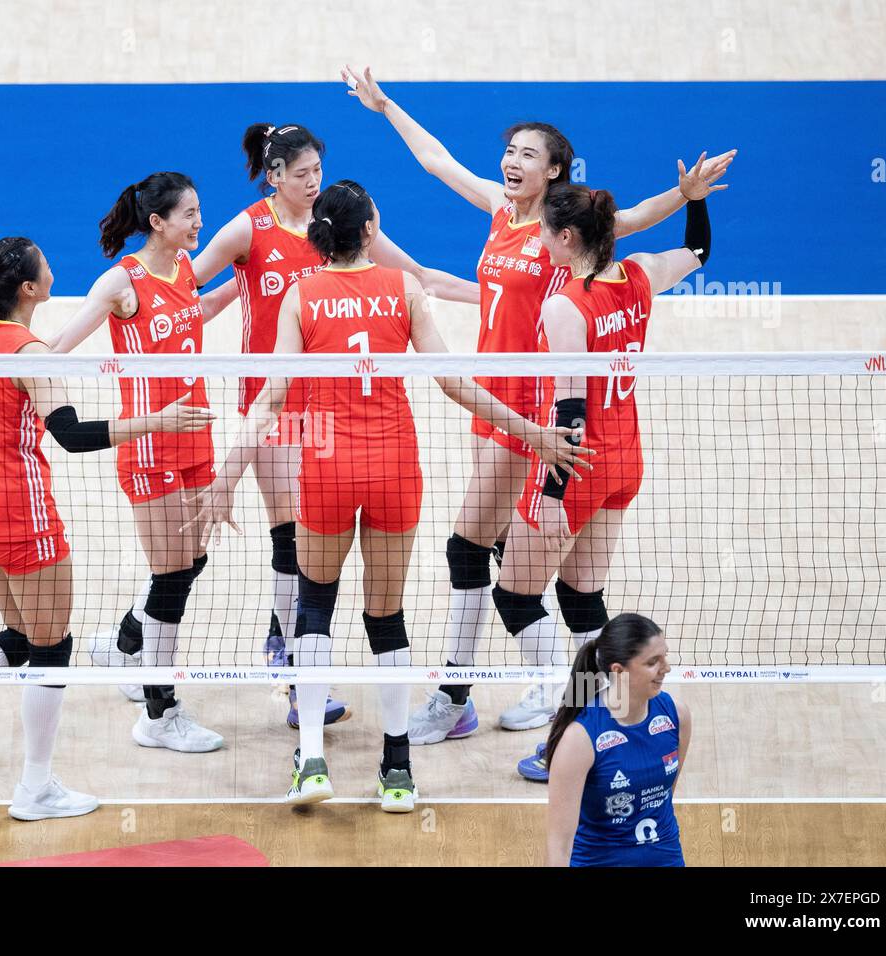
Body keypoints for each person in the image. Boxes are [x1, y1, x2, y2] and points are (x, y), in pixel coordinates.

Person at [340, 65, 734, 738]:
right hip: (487, 402)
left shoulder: (561, 237)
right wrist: (385, 107)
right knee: (510, 558)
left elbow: (635, 219)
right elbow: (439, 164)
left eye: (528, 154)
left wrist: (686, 192)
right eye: (510, 151)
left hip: (531, 413)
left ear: (556, 172)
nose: (511, 161)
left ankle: (480, 695)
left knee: (474, 552)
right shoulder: (501, 211)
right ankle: (545, 688)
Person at [190, 180, 590, 811]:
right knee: (387, 617)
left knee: (314, 606)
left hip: (324, 467)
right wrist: (533, 433)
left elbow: (270, 398)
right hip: (394, 468)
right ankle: (397, 769)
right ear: (370, 230)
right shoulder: (402, 289)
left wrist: (226, 477)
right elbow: (455, 382)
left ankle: (313, 759)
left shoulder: (301, 294)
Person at [0, 237, 213, 816]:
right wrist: (156, 421)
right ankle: (36, 787)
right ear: (31, 288)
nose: (53, 266)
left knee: (19, 638)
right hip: (21, 514)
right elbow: (71, 434)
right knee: (51, 647)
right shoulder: (28, 350)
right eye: (44, 264)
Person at [188, 122, 480, 728]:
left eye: (318, 171)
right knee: (289, 538)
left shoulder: (342, 224)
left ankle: (288, 645)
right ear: (275, 177)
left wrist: (495, 296)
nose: (313, 182)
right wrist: (207, 299)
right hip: (269, 404)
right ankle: (296, 671)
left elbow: (420, 277)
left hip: (329, 411)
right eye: (301, 175)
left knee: (308, 542)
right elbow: (183, 283)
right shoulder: (249, 227)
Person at [495, 177, 715, 780]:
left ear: (566, 238)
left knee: (514, 596)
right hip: (625, 460)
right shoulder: (640, 272)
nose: (538, 237)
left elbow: (569, 411)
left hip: (579, 465)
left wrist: (552, 495)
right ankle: (616, 720)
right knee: (580, 597)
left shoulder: (565, 305)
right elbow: (699, 252)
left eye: (544, 230)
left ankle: (565, 732)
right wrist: (693, 199)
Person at [48, 174, 226, 753]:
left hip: (197, 438)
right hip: (150, 448)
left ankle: (124, 641)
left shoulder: (183, 273)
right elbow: (54, 350)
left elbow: (194, 316)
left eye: (200, 212)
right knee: (173, 575)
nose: (200, 223)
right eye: (190, 215)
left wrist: (248, 290)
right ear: (158, 222)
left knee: (191, 563)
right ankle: (159, 711)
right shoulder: (123, 282)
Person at [544, 613, 690, 866]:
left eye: (665, 656)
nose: (666, 668)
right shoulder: (580, 739)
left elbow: (665, 799)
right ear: (619, 671)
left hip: (665, 858)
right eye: (653, 662)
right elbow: (559, 846)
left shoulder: (676, 715)